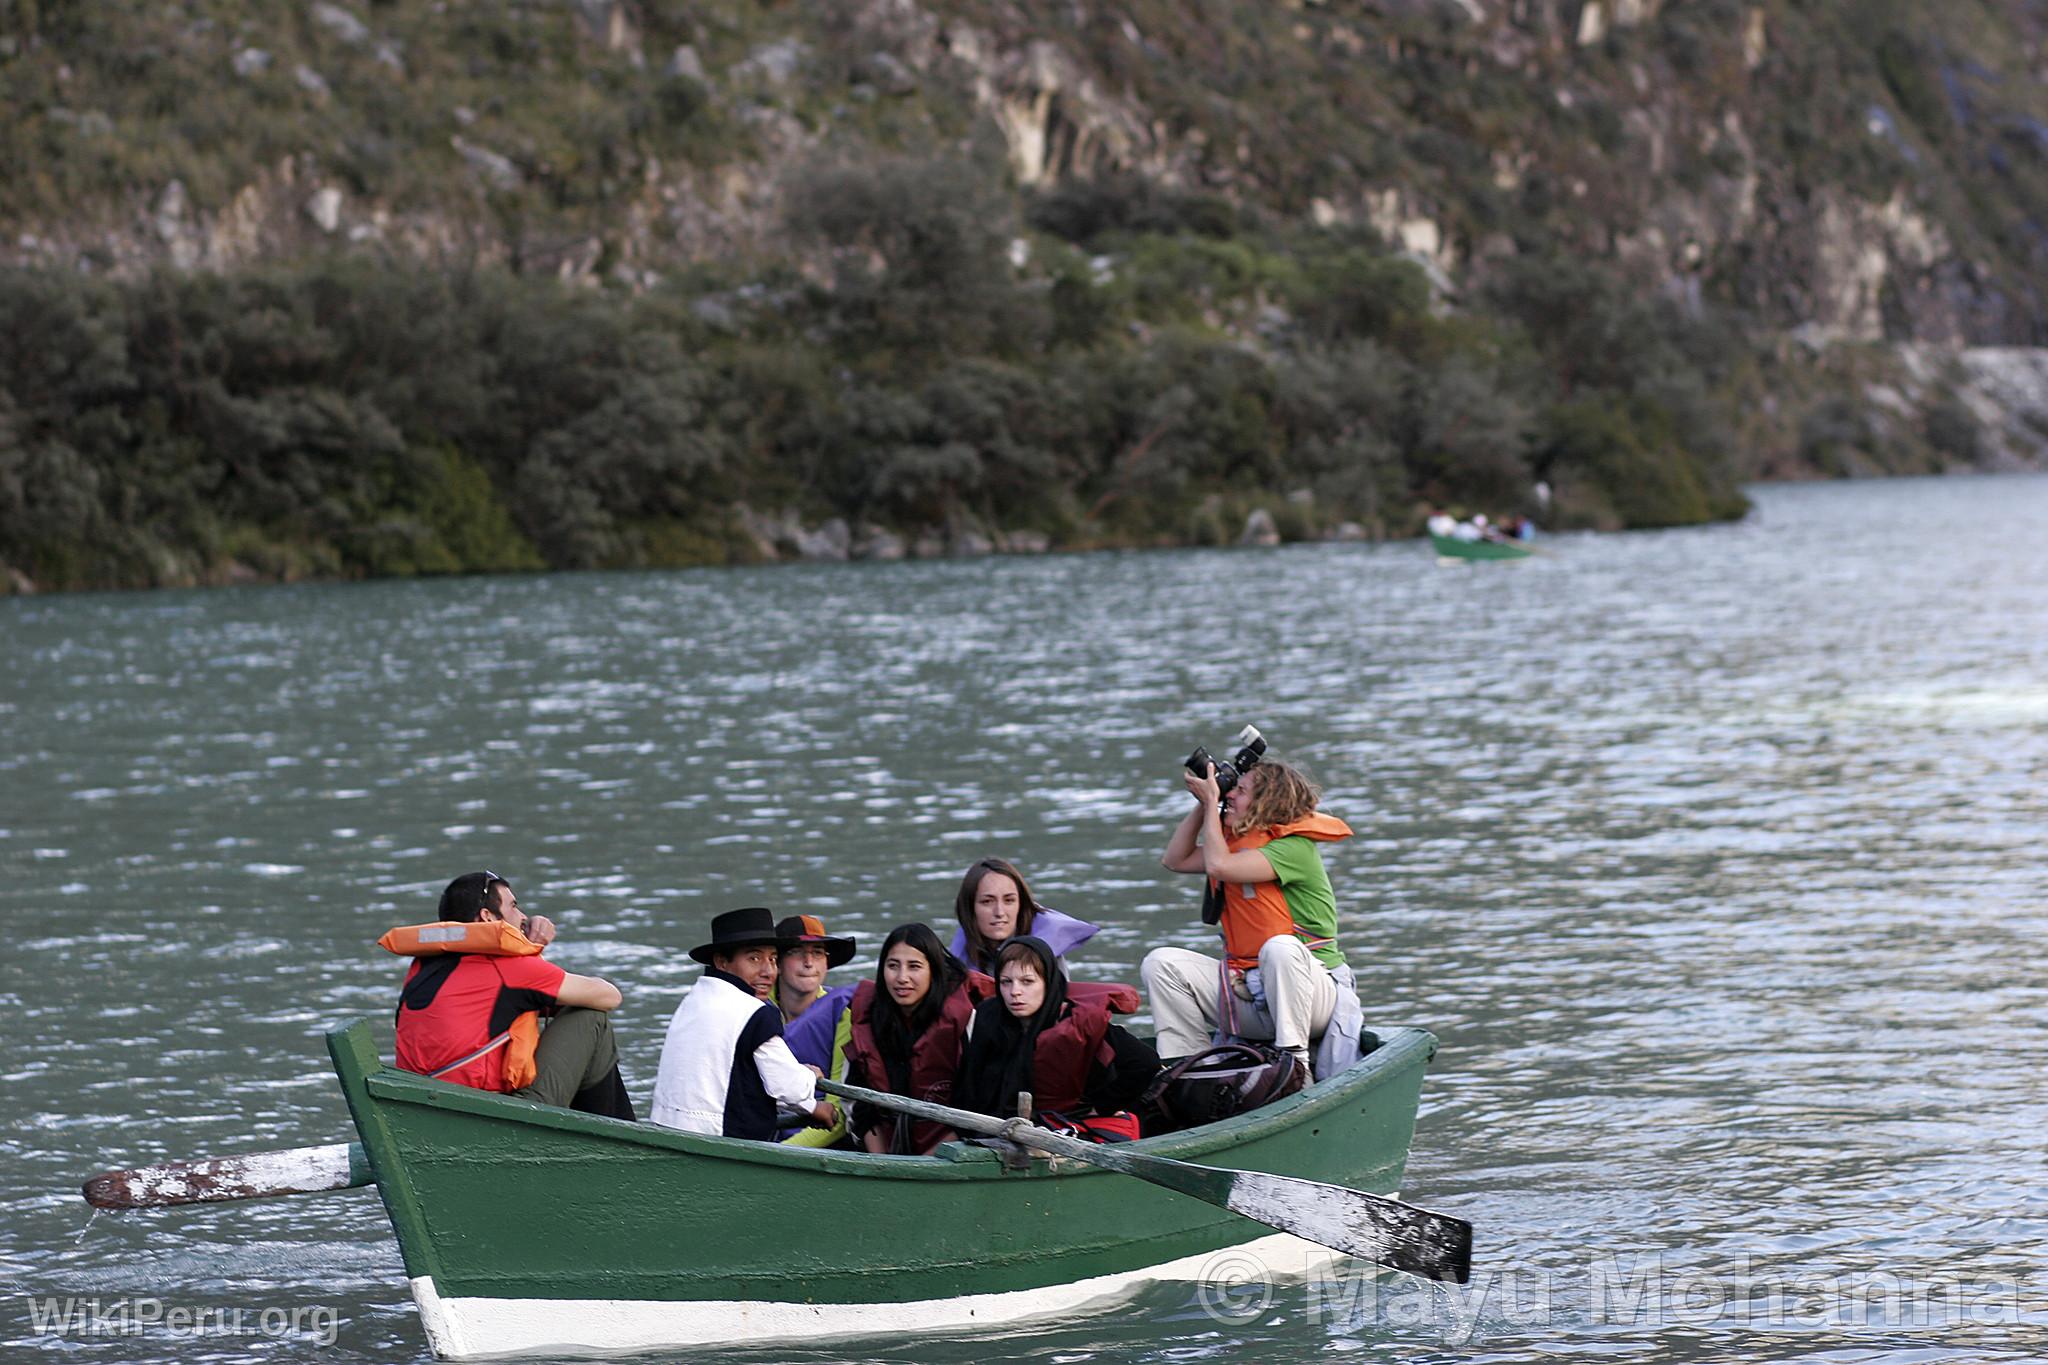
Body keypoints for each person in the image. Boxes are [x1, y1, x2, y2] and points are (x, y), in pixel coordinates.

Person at [1144, 754, 1367, 1087]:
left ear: (1267, 804)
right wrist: (1206, 804)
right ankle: (1191, 1074)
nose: (1231, 795)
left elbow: (1219, 868)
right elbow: (1175, 860)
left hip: (1311, 998)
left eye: (1241, 791)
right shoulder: (1234, 846)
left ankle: (1295, 1066)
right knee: (1161, 963)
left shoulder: (1294, 849)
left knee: (1280, 948)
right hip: (1249, 993)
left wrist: (1212, 800)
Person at [386, 870, 635, 1120]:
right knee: (591, 1019)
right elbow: (609, 996)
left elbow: (504, 1001)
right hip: (494, 1115)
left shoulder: (421, 968)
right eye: (514, 906)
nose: (523, 917)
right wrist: (530, 949)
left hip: (426, 1109)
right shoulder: (507, 968)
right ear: (487, 917)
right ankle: (616, 1139)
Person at [650, 907, 836, 1140]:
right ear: (722, 962)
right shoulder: (753, 1011)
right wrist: (812, 1080)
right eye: (754, 958)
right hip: (718, 1141)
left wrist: (807, 1107)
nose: (768, 971)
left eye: (773, 959)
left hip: (667, 1130)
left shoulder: (692, 1001)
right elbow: (789, 1087)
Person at [955, 936, 1159, 1127]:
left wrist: (1102, 1106)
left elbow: (1145, 1062)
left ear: (1048, 983)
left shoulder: (1075, 1022)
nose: (1015, 992)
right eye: (1006, 982)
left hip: (1065, 1125)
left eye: (1027, 981)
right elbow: (970, 1082)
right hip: (996, 1124)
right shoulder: (989, 1015)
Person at [840, 923, 994, 1154]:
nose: (902, 978)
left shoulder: (966, 1018)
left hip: (954, 1150)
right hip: (885, 1150)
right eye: (893, 966)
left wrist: (927, 1164)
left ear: (933, 970)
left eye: (914, 967)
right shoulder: (868, 1017)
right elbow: (859, 1104)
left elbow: (979, 1102)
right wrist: (883, 1164)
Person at [774, 913, 857, 1148]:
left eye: (818, 953)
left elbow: (838, 1115)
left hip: (819, 1143)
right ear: (777, 962)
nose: (808, 962)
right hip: (761, 1128)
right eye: (796, 952)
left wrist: (779, 1153)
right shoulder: (756, 1008)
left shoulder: (843, 1014)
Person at [947, 857, 1100, 977]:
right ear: (970, 908)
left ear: (1021, 905)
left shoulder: (1046, 951)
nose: (999, 912)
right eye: (987, 901)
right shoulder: (956, 962)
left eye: (1009, 900)